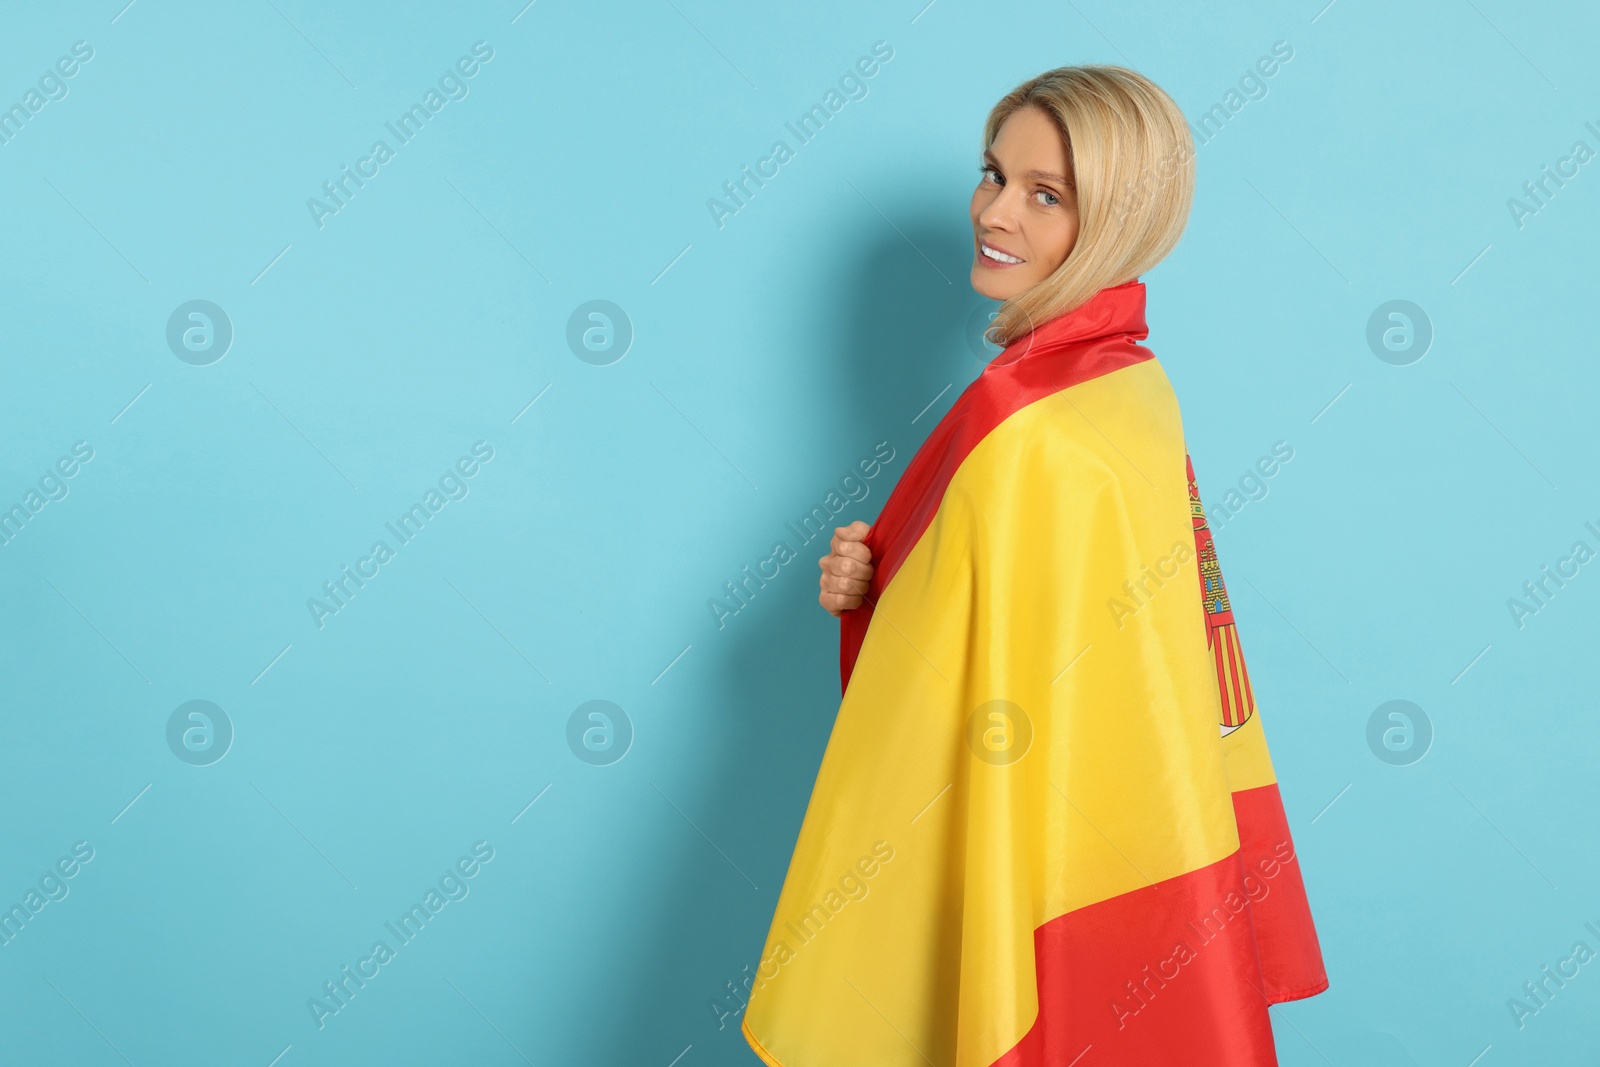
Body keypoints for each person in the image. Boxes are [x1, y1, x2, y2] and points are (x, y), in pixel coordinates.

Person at [741, 65, 1329, 1067]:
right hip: (1113, 843)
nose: (994, 212)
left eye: (1045, 194)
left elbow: (957, 681)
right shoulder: (1126, 380)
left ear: (1116, 218)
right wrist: (881, 581)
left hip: (1052, 858)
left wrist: (888, 600)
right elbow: (1019, 624)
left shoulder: (1033, 420)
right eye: (992, 174)